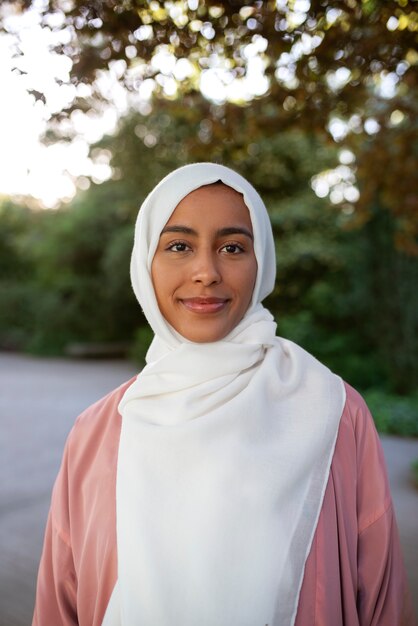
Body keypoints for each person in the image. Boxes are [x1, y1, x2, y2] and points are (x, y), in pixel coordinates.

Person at [33, 163, 416, 626]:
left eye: (232, 247)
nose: (206, 272)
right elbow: (60, 606)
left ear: (262, 263)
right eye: (178, 246)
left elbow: (381, 599)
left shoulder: (335, 412)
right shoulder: (95, 432)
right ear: (145, 264)